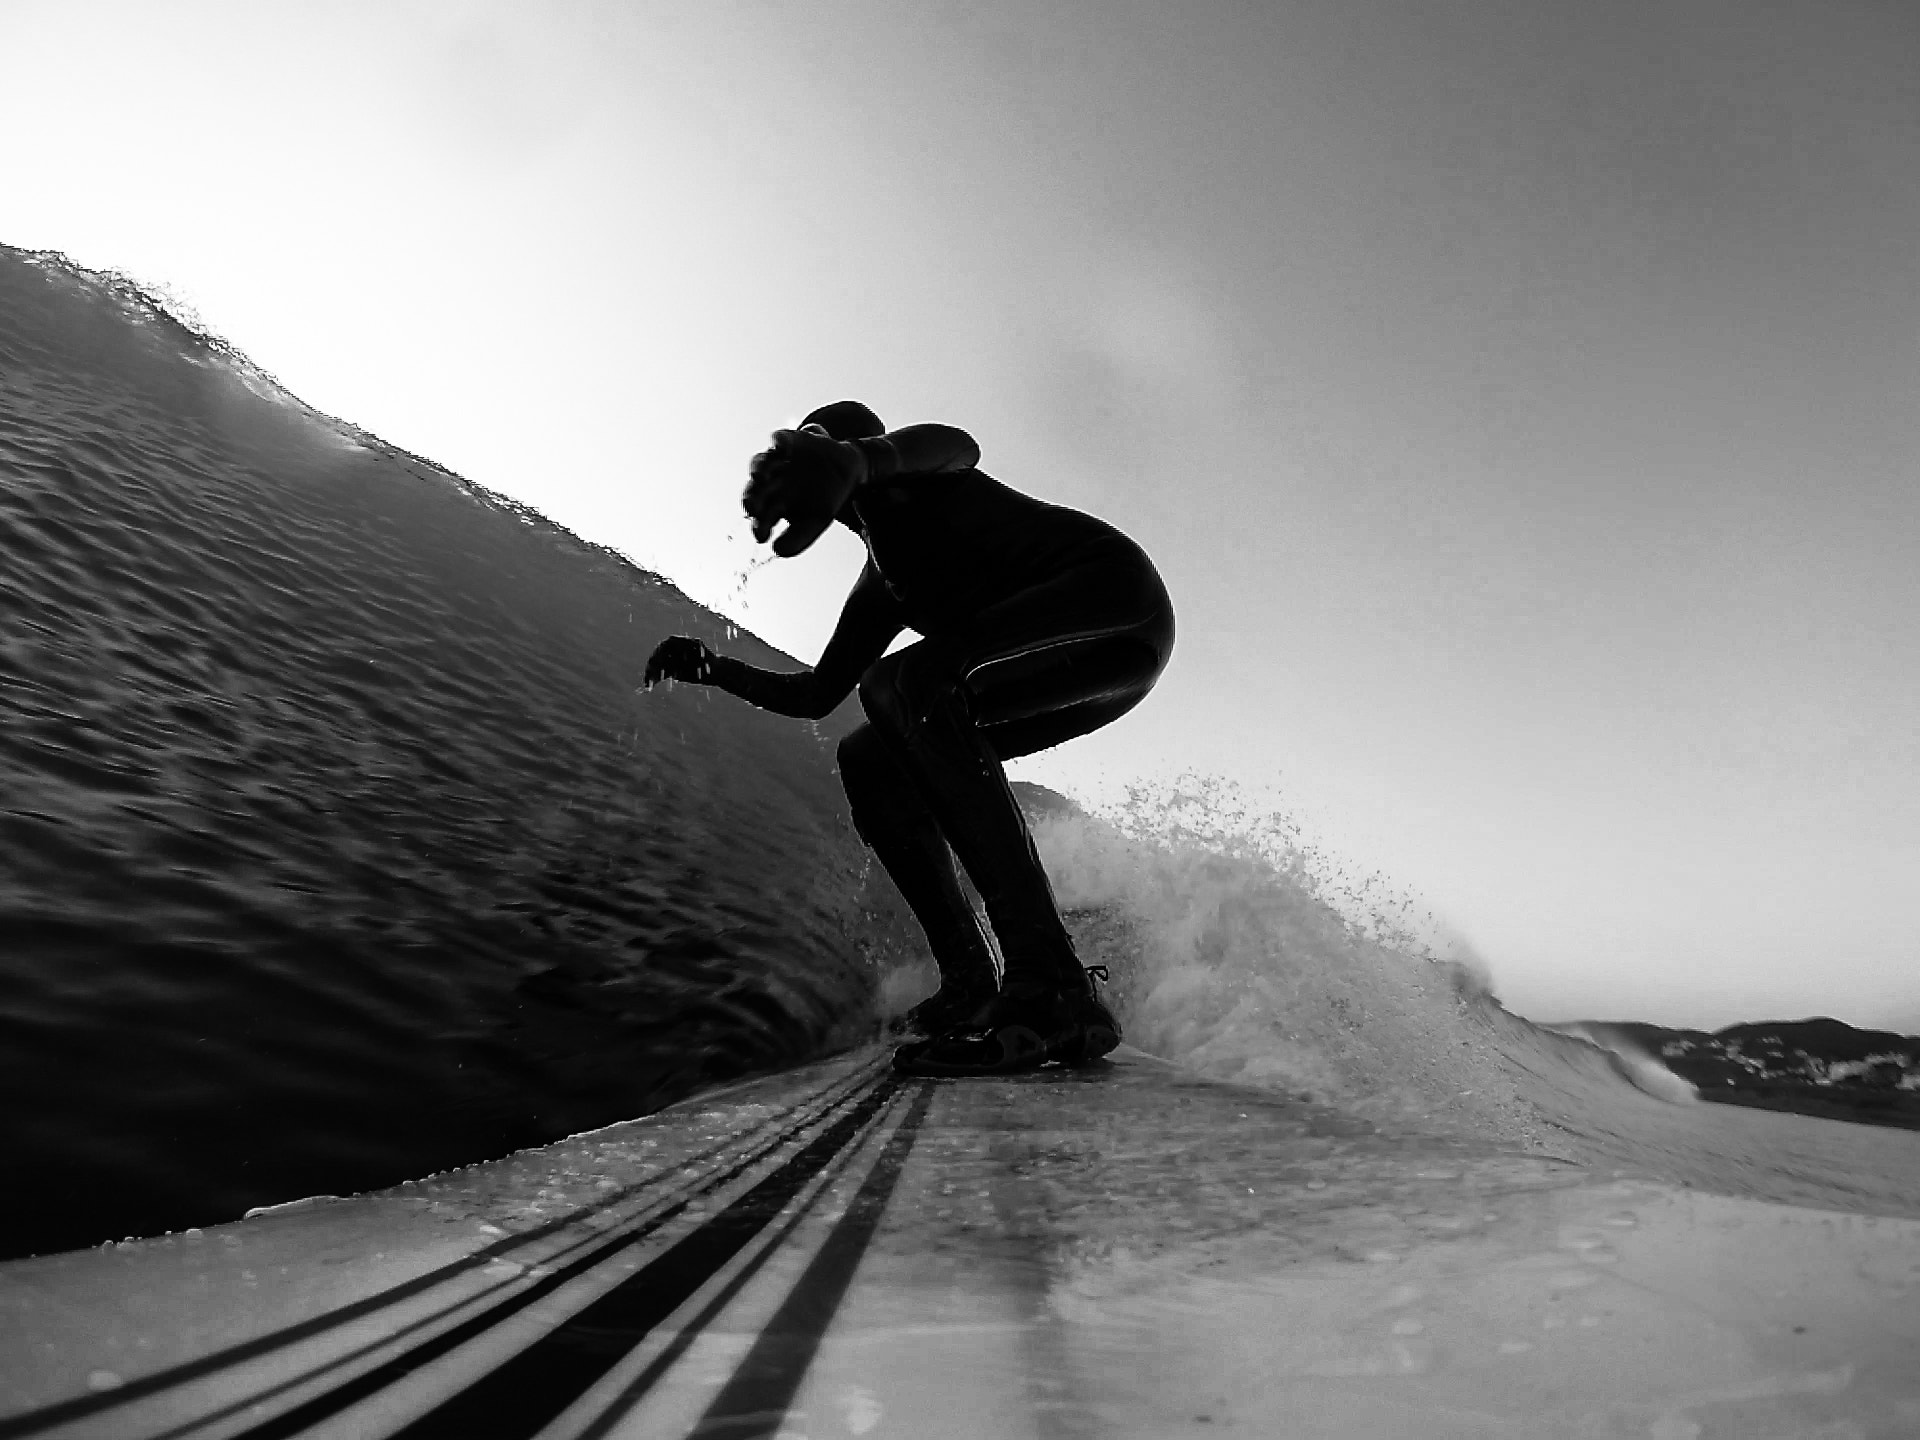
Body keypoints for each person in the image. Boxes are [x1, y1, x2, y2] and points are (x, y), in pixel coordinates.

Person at [644, 401, 1174, 1075]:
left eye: (822, 443)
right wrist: (715, 669)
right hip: (1085, 668)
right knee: (871, 758)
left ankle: (1052, 986)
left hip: (1115, 601)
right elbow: (814, 695)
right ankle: (970, 982)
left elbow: (958, 443)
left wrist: (859, 458)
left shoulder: (930, 474)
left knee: (906, 683)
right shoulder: (883, 586)